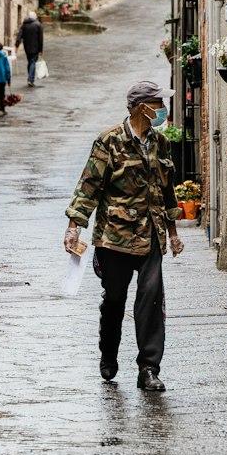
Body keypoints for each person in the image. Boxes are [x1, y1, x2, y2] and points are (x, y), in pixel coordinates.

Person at [64, 80, 183, 393]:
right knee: (115, 299)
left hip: (152, 236)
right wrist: (75, 224)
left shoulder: (161, 143)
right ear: (141, 106)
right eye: (158, 103)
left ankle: (148, 369)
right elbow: (89, 185)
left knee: (151, 300)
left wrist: (172, 233)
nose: (162, 109)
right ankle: (108, 351)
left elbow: (166, 189)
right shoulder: (109, 141)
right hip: (114, 237)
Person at [15, 10, 44, 86]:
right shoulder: (38, 25)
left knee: (30, 62)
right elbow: (40, 39)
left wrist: (16, 45)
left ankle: (30, 78)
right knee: (33, 62)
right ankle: (30, 79)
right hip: (35, 47)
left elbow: (19, 36)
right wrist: (40, 50)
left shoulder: (24, 25)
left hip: (27, 47)